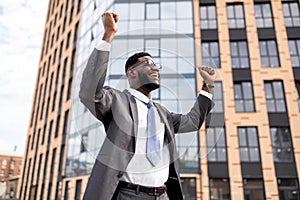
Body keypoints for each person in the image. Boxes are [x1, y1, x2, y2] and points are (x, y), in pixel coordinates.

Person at [79, 12, 216, 200]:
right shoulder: (116, 101)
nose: (155, 68)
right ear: (131, 72)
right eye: (148, 63)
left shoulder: (163, 114)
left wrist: (207, 86)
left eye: (156, 65)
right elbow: (89, 93)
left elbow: (193, 122)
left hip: (163, 195)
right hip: (129, 195)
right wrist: (108, 35)